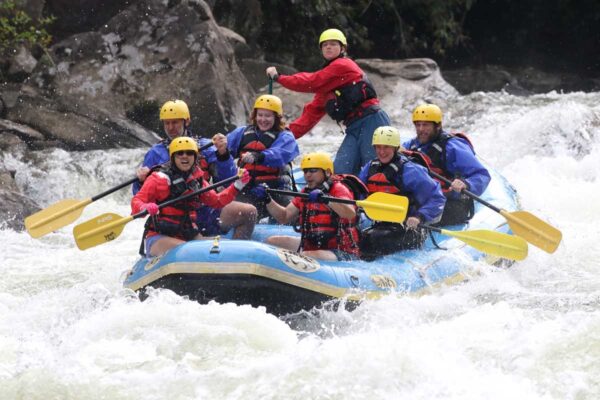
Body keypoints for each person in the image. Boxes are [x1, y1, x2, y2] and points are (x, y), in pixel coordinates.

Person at [266, 28, 390, 175]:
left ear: (342, 48)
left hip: (372, 121)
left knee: (375, 169)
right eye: (325, 45)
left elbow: (311, 81)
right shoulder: (328, 84)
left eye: (333, 44)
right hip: (353, 127)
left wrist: (279, 77)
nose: (328, 47)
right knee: (340, 172)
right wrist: (282, 135)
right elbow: (310, 115)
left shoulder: (343, 65)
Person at [134, 99, 251, 238]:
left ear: (186, 122)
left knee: (249, 212)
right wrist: (141, 181)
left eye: (175, 122)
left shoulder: (206, 147)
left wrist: (223, 155)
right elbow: (140, 195)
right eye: (167, 123)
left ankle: (238, 255)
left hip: (207, 208)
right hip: (174, 214)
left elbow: (227, 180)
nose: (171, 128)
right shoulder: (155, 153)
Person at [131, 137, 254, 257]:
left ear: (195, 157)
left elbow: (217, 201)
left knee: (225, 247)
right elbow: (137, 201)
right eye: (180, 153)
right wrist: (145, 206)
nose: (185, 156)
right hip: (160, 237)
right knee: (191, 252)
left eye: (189, 153)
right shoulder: (159, 179)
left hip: (187, 233)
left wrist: (237, 185)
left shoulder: (196, 180)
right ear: (173, 157)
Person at [358, 126, 446, 260]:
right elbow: (359, 193)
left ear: (395, 147)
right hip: (381, 224)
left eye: (386, 147)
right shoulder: (370, 168)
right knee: (356, 234)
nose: (382, 152)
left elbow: (437, 198)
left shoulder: (411, 171)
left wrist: (419, 217)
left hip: (410, 229)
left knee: (372, 239)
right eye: (378, 147)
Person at [259, 152, 361, 261]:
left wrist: (326, 200)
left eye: (313, 171)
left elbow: (350, 213)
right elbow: (284, 216)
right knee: (271, 242)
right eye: (305, 171)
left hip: (341, 250)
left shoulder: (339, 188)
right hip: (312, 245)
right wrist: (267, 199)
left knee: (306, 256)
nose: (308, 175)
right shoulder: (306, 192)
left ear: (327, 172)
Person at [403, 104, 491, 225]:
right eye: (418, 125)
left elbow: (482, 174)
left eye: (426, 125)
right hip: (424, 201)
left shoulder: (453, 147)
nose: (421, 129)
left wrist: (466, 184)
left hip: (450, 203)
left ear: (437, 126)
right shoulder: (411, 145)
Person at [224, 94, 300, 220]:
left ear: (276, 117)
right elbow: (224, 151)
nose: (263, 119)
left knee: (292, 217)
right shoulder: (242, 132)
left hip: (276, 191)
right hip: (247, 189)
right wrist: (220, 148)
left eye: (268, 116)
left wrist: (259, 156)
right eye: (260, 115)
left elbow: (281, 154)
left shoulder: (286, 136)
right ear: (255, 116)